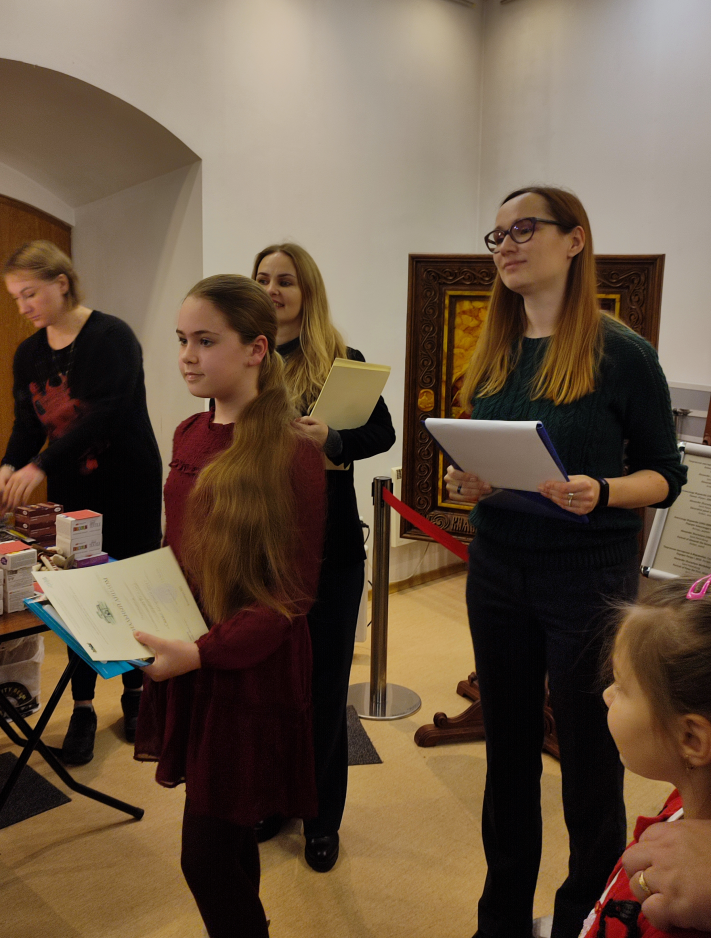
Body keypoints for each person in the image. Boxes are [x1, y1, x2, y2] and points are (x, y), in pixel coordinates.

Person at [443, 187, 686, 938]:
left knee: (589, 756)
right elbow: (495, 460)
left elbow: (665, 475)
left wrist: (602, 490)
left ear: (574, 240)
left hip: (586, 577)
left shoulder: (622, 353)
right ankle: (501, 917)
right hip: (498, 569)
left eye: (525, 228)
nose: (507, 245)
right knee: (508, 751)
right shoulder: (494, 348)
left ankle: (588, 916)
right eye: (498, 235)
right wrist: (471, 482)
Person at [133, 275, 325, 938]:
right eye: (181, 339)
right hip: (193, 653)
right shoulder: (189, 431)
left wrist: (200, 652)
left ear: (255, 349)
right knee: (231, 828)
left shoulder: (292, 451)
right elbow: (176, 550)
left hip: (248, 668)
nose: (187, 356)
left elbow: (288, 597)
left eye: (205, 341)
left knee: (205, 857)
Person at [0, 241, 162, 764]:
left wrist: (39, 466)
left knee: (126, 586)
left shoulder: (112, 337)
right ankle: (82, 706)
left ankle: (135, 692)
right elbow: (27, 423)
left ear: (61, 283)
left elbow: (104, 415)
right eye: (16, 297)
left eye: (30, 293)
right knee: (78, 592)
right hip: (73, 487)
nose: (23, 306)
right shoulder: (28, 353)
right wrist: (8, 469)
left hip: (128, 482)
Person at [253, 242, 395, 872]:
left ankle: (321, 819)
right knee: (269, 688)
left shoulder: (342, 361)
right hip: (261, 548)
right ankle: (276, 800)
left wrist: (331, 438)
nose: (272, 289)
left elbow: (382, 433)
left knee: (323, 687)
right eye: (262, 279)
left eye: (285, 280)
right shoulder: (246, 356)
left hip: (329, 550)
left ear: (307, 290)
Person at [578, 576, 711, 938]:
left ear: (691, 738)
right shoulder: (686, 796)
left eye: (621, 685)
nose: (607, 695)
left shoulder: (672, 917)